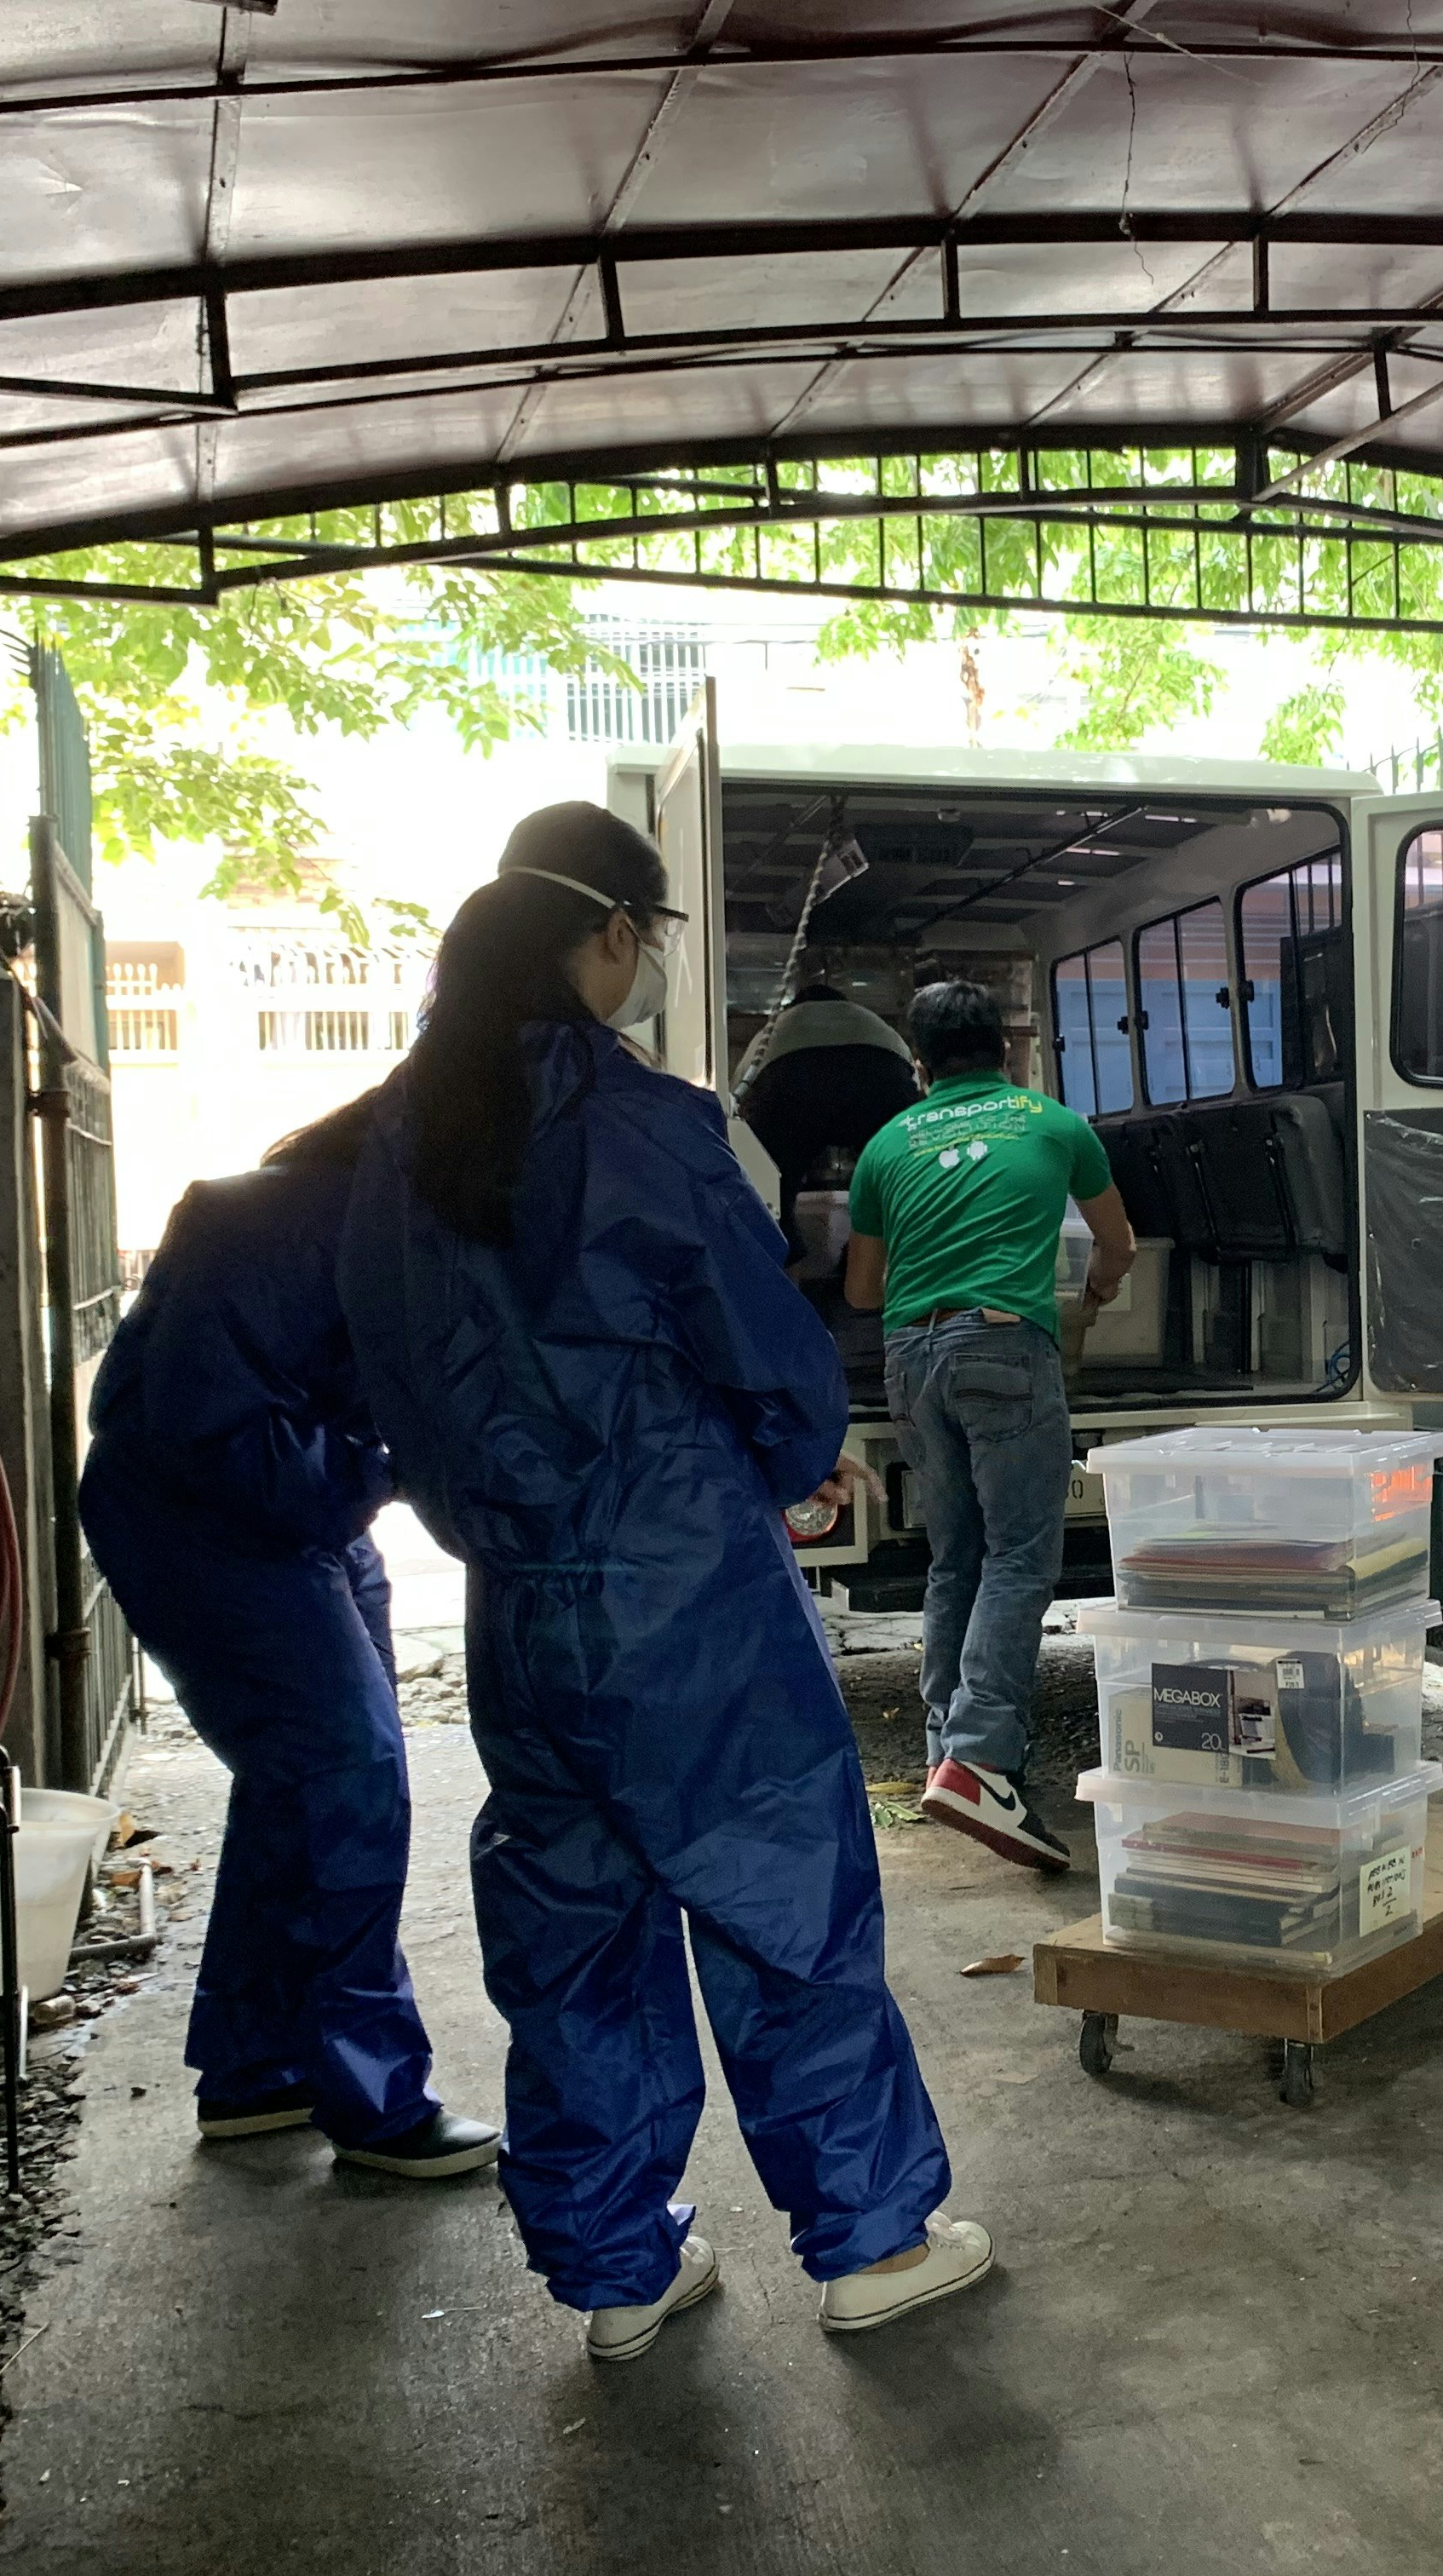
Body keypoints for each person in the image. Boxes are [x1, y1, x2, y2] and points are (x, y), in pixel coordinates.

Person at [337, 802, 985, 2365]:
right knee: (781, 1899)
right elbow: (764, 1347)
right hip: (682, 1581)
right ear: (614, 935)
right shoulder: (641, 1124)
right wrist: (789, 1452)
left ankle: (620, 2269)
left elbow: (386, 1376)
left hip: (516, 1599)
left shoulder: (396, 1137)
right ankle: (870, 2238)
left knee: (573, 1932)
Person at [78, 1100, 499, 2180]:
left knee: (300, 1783)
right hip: (207, 1522)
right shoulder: (265, 1222)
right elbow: (212, 1432)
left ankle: (256, 2068)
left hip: (302, 1510)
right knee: (344, 1774)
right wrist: (388, 1469)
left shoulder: (408, 1220)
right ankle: (368, 2096)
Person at [843, 980, 1134, 1872]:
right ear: (1007, 1053)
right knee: (1019, 1557)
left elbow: (862, 1289)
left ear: (920, 1066)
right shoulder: (1054, 1124)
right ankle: (981, 1760)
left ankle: (947, 1749)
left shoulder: (887, 1144)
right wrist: (1089, 1294)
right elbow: (1117, 1244)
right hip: (1006, 1348)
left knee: (955, 1559)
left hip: (911, 1358)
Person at [737, 982, 920, 1224]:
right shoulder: (875, 1025)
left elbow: (738, 1098)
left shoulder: (775, 1031)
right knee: (896, 1182)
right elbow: (913, 1089)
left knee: (770, 1189)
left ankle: (784, 1251)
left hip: (788, 1084)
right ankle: (870, 1250)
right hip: (881, 1080)